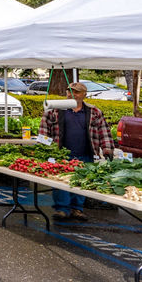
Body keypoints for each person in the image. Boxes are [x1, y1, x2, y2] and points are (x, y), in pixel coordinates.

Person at [40, 81, 114, 220]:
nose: (71, 94)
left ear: (84, 95)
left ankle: (77, 209)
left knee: (81, 182)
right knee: (60, 181)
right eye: (69, 91)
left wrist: (107, 149)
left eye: (76, 92)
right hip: (61, 154)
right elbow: (44, 131)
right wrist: (44, 150)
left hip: (85, 153)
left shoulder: (94, 111)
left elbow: (104, 131)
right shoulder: (54, 110)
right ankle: (61, 209)